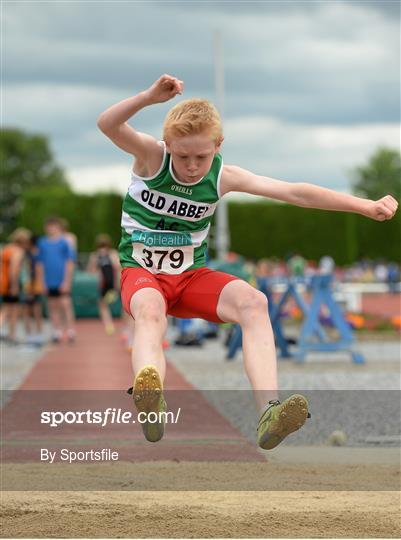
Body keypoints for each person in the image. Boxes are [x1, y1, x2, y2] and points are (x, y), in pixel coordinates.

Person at [97, 74, 398, 449]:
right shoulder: (150, 157)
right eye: (183, 156)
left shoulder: (224, 176)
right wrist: (147, 97)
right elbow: (107, 124)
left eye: (202, 157)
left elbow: (294, 192)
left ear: (219, 146)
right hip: (142, 273)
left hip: (191, 276)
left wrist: (363, 206)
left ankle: (269, 412)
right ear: (168, 144)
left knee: (255, 302)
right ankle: (150, 400)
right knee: (150, 311)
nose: (192, 167)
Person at [37, 217, 76, 343]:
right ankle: (57, 332)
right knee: (52, 306)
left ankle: (70, 331)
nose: (51, 229)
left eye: (53, 226)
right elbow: (40, 264)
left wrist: (66, 281)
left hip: (62, 280)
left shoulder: (64, 242)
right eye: (49, 226)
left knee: (65, 305)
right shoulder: (42, 243)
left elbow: (70, 263)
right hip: (49, 280)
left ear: (58, 227)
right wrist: (41, 281)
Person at [0, 228, 31, 344]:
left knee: (6, 308)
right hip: (11, 283)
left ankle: (11, 333)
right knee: (13, 309)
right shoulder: (18, 251)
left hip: (4, 282)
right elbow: (14, 269)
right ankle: (11, 334)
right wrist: (15, 286)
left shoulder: (6, 249)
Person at [87, 234, 121, 335]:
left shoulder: (112, 254)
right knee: (103, 305)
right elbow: (91, 270)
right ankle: (109, 325)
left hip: (113, 284)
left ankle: (122, 326)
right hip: (105, 285)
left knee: (122, 306)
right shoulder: (96, 256)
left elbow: (118, 267)